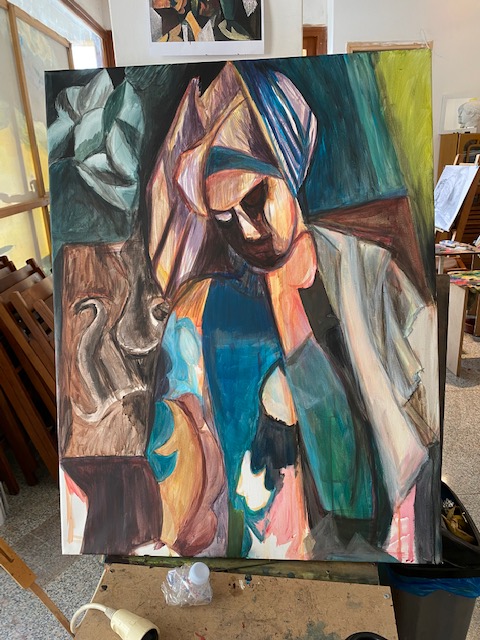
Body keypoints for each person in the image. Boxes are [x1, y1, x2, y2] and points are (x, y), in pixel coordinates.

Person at [145, 61, 440, 562]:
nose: (247, 231)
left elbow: (423, 407)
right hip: (291, 547)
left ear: (289, 170)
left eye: (255, 200)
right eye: (226, 219)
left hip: (385, 535)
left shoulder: (365, 270)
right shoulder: (214, 309)